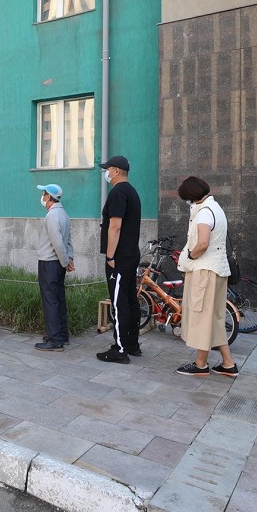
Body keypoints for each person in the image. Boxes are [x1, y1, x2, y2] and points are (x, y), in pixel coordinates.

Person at [174, 176, 239, 377]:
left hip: (204, 272)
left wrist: (190, 255)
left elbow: (202, 243)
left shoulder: (204, 213)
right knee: (215, 319)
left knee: (201, 317)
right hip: (217, 270)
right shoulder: (216, 208)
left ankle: (201, 364)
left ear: (191, 195)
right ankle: (228, 364)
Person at [96, 155, 142, 364]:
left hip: (120, 257)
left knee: (118, 302)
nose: (106, 173)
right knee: (130, 300)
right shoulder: (132, 192)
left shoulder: (118, 193)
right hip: (131, 254)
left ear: (115, 171)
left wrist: (110, 255)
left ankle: (120, 349)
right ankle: (132, 344)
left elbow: (115, 226)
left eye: (107, 169)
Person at [35, 184, 74, 352]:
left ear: (49, 197)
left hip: (49, 262)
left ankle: (55, 340)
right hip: (58, 263)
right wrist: (69, 259)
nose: (42, 197)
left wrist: (65, 261)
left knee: (50, 300)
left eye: (44, 194)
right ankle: (61, 334)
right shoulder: (64, 214)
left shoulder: (51, 215)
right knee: (59, 298)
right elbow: (68, 240)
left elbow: (57, 242)